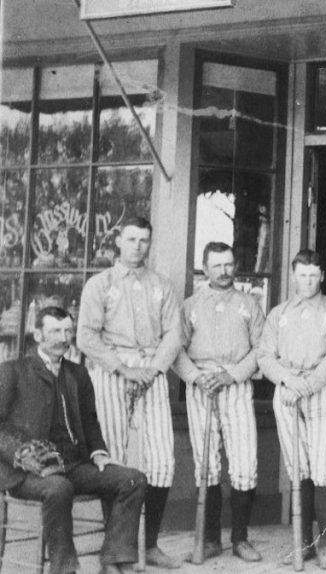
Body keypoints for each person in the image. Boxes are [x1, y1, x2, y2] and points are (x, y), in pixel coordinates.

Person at [0, 306, 147, 574]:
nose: (63, 338)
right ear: (37, 334)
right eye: (55, 331)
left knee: (132, 479)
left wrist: (99, 453)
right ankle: (63, 567)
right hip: (27, 472)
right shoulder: (13, 371)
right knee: (58, 489)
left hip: (73, 465)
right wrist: (19, 453)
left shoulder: (78, 373)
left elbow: (90, 421)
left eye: (68, 330)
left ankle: (114, 557)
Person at [77, 216, 183, 569]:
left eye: (144, 240)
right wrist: (124, 369)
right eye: (132, 239)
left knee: (161, 459)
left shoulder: (162, 286)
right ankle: (116, 550)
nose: (138, 246)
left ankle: (149, 544)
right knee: (116, 462)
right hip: (111, 371)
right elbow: (86, 337)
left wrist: (153, 370)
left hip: (151, 371)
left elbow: (174, 335)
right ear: (118, 240)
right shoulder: (100, 284)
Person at [173, 242, 265, 563]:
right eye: (217, 265)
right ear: (205, 267)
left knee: (244, 463)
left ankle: (240, 538)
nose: (224, 271)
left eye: (228, 264)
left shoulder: (250, 304)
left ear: (235, 265)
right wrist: (197, 377)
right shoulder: (190, 306)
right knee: (207, 466)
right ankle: (210, 539)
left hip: (236, 385)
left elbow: (261, 349)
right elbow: (176, 349)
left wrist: (232, 375)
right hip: (201, 387)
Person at [257, 249, 326, 570]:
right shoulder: (278, 313)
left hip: (320, 392)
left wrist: (308, 384)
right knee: (299, 469)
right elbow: (265, 356)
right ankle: (303, 543)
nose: (307, 281)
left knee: (324, 469)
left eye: (313, 274)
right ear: (293, 276)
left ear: (321, 275)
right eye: (302, 274)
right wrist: (288, 381)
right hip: (287, 393)